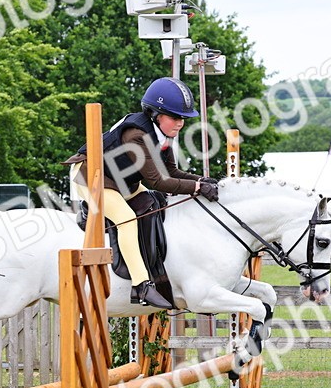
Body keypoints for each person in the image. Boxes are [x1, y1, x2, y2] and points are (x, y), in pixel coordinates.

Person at [64, 77, 219, 309]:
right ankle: (141, 286)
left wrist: (201, 180)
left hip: (122, 179)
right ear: (156, 114)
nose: (180, 124)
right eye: (175, 117)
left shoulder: (162, 136)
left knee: (152, 203)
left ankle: (158, 270)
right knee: (127, 219)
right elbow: (157, 180)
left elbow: (170, 171)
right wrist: (197, 188)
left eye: (183, 119)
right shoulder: (136, 136)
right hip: (92, 176)